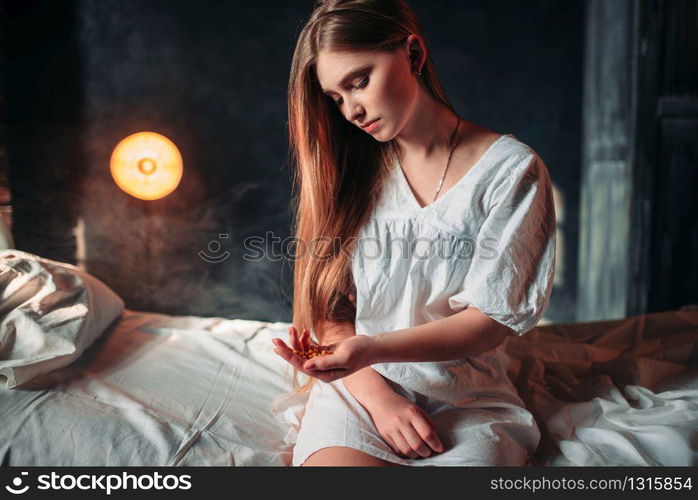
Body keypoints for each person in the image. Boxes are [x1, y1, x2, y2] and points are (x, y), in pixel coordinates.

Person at [271, 0, 556, 467]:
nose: (351, 111)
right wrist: (378, 396)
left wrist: (371, 349)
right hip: (362, 392)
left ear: (414, 55)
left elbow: (489, 322)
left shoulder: (511, 171)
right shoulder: (352, 170)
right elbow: (333, 309)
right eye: (336, 98)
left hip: (467, 399)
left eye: (359, 81)